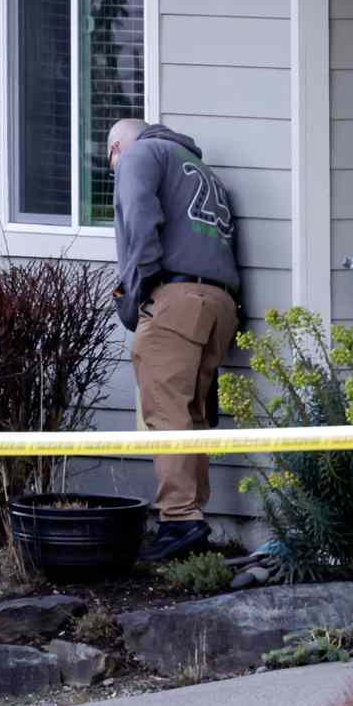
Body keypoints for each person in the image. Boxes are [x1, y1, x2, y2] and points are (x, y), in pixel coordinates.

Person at [108, 118, 242, 564]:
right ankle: (192, 516)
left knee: (164, 414)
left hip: (177, 297)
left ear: (115, 149)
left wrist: (140, 290)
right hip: (220, 303)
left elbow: (139, 219)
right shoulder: (199, 170)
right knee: (190, 415)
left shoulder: (139, 155)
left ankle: (179, 520)